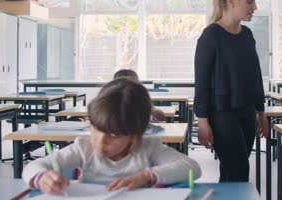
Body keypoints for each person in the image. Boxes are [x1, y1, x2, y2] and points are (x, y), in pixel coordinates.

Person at [22, 78, 201, 195]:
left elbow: (192, 167)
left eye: (114, 135)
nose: (100, 141)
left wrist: (148, 176)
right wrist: (42, 177)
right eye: (95, 128)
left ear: (134, 135)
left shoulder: (148, 147)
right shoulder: (83, 147)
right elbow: (34, 166)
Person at [194, 0, 269, 182]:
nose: (254, 6)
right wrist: (202, 122)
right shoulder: (211, 36)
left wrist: (261, 111)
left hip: (247, 111)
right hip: (221, 113)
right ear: (231, 1)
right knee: (239, 172)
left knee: (230, 173)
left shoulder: (247, 35)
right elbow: (201, 82)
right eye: (250, 1)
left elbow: (255, 75)